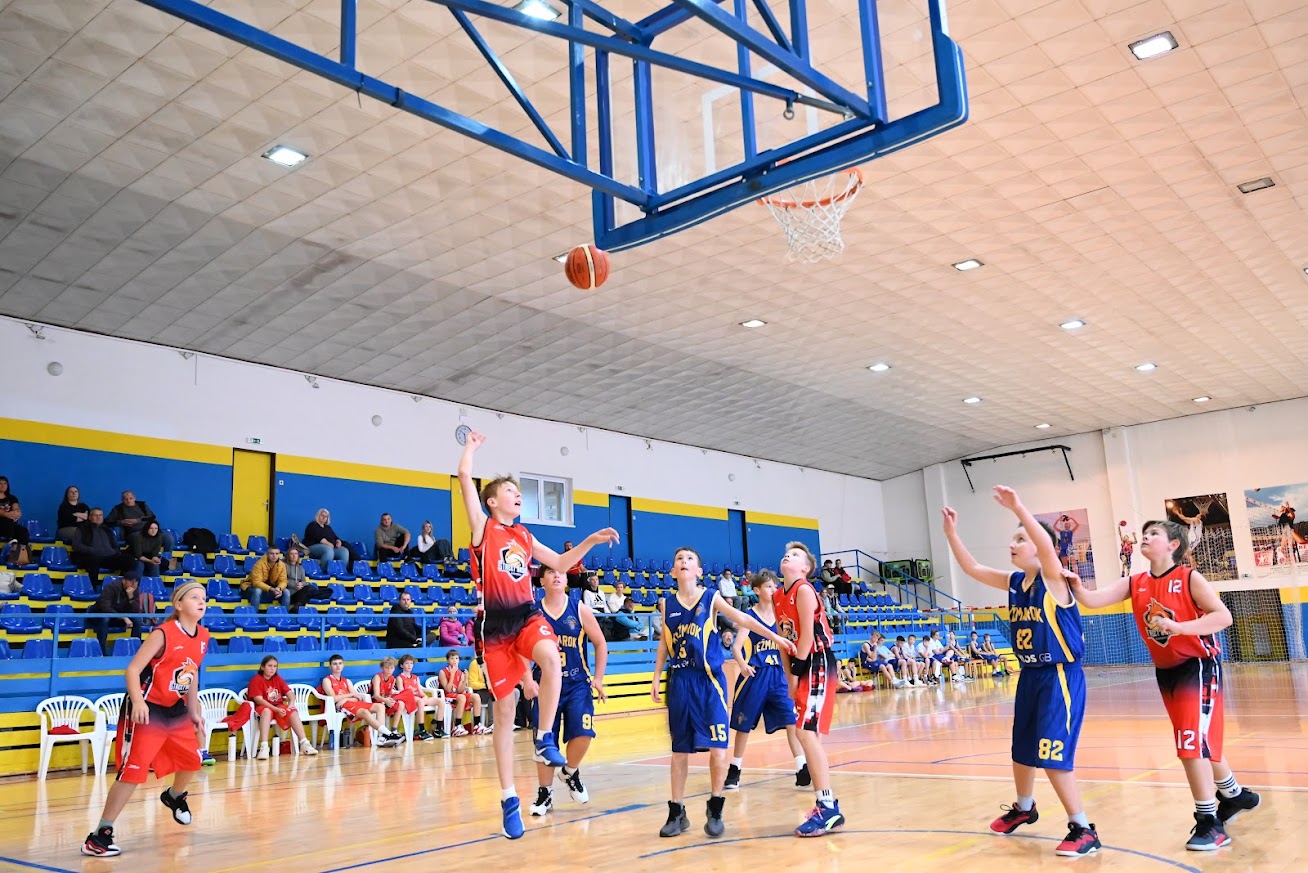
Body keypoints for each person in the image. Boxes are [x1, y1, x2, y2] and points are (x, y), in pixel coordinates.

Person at [456, 431, 619, 839]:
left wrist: (590, 541)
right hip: (494, 626)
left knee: (552, 658)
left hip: (526, 614)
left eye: (517, 491)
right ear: (493, 501)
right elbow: (463, 475)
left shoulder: (524, 536)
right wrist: (472, 446)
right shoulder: (484, 529)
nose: (517, 495)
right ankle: (509, 797)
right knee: (506, 712)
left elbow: (562, 561)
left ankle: (546, 736)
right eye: (510, 491)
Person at [1068, 519, 1260, 850]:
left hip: (1196, 666)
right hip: (1166, 670)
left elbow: (1223, 617)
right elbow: (1093, 600)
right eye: (1144, 533)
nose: (1145, 537)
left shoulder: (1189, 578)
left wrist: (1179, 627)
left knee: (1189, 743)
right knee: (1198, 740)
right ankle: (1234, 794)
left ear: (1173, 545)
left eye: (1154, 533)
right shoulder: (1136, 581)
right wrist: (1075, 585)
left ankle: (1209, 823)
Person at [941, 485, 1100, 857]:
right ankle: (1024, 808)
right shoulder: (1014, 582)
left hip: (1059, 676)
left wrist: (1019, 507)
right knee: (1023, 750)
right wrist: (951, 534)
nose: (1013, 544)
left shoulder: (1054, 580)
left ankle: (1083, 828)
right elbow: (972, 568)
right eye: (1012, 538)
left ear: (1040, 547)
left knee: (1052, 753)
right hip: (1029, 676)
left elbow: (1047, 549)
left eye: (1021, 538)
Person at [650, 546, 794, 839]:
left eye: (690, 558)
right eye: (679, 559)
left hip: (709, 683)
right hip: (679, 681)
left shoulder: (711, 598)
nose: (684, 561)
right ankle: (677, 811)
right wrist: (656, 676)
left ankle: (715, 807)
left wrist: (775, 636)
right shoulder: (667, 604)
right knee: (679, 753)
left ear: (699, 571)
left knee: (718, 750)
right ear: (673, 571)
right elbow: (664, 643)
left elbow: (746, 621)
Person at [81, 582, 210, 857]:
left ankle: (174, 796)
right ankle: (100, 835)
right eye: (195, 597)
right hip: (147, 707)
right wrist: (138, 702)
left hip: (175, 708)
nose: (202, 601)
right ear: (178, 605)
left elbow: (192, 673)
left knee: (194, 759)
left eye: (204, 598)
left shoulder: (203, 636)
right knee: (133, 771)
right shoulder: (163, 633)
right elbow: (132, 669)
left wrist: (194, 710)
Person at [772, 541, 847, 836]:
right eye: (786, 552)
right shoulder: (779, 595)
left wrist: (796, 672)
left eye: (796, 555)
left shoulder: (804, 589)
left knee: (804, 731)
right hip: (800, 662)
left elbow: (805, 639)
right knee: (807, 731)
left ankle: (827, 806)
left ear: (805, 567)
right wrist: (788, 675)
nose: (787, 555)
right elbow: (784, 639)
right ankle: (827, 806)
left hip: (816, 659)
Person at [529, 566, 608, 816]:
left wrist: (598, 678)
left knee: (584, 733)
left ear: (566, 580)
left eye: (560, 573)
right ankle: (545, 794)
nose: (556, 576)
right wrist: (525, 679)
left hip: (577, 683)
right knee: (544, 740)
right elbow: (517, 647)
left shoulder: (579, 608)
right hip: (544, 684)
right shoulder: (533, 612)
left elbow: (600, 642)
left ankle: (570, 772)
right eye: (550, 572)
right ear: (542, 580)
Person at [722, 570, 808, 792]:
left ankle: (801, 768)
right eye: (768, 586)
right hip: (756, 675)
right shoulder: (749, 617)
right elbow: (736, 647)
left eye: (774, 586)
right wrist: (742, 664)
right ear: (757, 590)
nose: (773, 590)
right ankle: (735, 769)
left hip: (779, 676)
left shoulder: (783, 617)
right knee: (744, 725)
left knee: (792, 721)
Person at [320, 653, 399, 745]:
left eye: (340, 663)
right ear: (330, 666)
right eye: (335, 664)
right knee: (364, 712)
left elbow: (358, 697)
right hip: (341, 707)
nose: (338, 666)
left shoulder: (347, 681)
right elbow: (334, 699)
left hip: (350, 703)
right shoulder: (327, 680)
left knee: (380, 706)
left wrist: (346, 698)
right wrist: (350, 695)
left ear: (343, 665)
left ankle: (381, 737)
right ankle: (389, 734)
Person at [248, 656, 317, 760]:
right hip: (263, 708)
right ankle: (264, 747)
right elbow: (259, 700)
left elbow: (290, 694)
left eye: (275, 666)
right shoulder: (256, 680)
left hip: (278, 707)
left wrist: (291, 703)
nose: (272, 668)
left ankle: (304, 743)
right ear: (262, 667)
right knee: (266, 711)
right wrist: (275, 709)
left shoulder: (277, 678)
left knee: (293, 711)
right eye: (269, 666)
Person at [70, 508, 135, 590]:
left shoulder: (108, 530)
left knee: (129, 560)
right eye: (96, 515)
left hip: (107, 558)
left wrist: (113, 551)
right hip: (90, 557)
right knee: (93, 560)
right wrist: (92, 550)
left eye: (100, 515)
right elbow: (76, 545)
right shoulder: (82, 529)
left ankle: (121, 586)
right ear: (90, 517)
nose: (99, 517)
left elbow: (116, 546)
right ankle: (92, 588)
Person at [105, 491, 174, 560]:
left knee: (168, 537)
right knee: (139, 538)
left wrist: (138, 520)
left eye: (130, 498)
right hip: (132, 533)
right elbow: (107, 522)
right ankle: (143, 561)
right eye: (126, 499)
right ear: (122, 500)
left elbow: (152, 517)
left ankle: (167, 560)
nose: (128, 501)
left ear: (134, 498)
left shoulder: (142, 505)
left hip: (149, 531)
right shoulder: (118, 509)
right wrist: (121, 522)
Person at [87, 571, 145, 653]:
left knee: (137, 619)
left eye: (135, 582)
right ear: (124, 580)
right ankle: (101, 651)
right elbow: (105, 608)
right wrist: (123, 617)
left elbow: (135, 611)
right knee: (105, 619)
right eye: (131, 582)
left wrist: (131, 597)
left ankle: (135, 649)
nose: (133, 585)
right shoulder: (111, 587)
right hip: (98, 616)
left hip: (118, 618)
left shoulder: (134, 590)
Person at [397, 653, 448, 740]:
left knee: (441, 701)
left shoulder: (415, 677)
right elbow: (402, 693)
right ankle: (421, 729)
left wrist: (424, 697)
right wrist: (412, 693)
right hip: (409, 699)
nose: (409, 665)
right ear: (402, 665)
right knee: (420, 701)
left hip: (418, 698)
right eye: (407, 663)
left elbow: (421, 693)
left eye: (411, 663)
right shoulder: (400, 678)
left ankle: (438, 728)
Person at [439, 649, 488, 736]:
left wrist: (465, 679)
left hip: (457, 695)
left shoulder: (460, 672)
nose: (454, 660)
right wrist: (452, 674)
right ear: (447, 660)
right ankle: (457, 726)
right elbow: (448, 689)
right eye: (452, 658)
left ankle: (477, 725)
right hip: (446, 696)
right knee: (462, 697)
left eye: (457, 658)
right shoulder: (442, 672)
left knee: (476, 696)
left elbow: (460, 691)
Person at [241, 546, 290, 610]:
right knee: (257, 590)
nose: (274, 556)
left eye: (276, 554)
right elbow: (256, 582)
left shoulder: (282, 565)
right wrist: (271, 589)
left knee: (286, 592)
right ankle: (253, 616)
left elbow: (283, 580)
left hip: (271, 589)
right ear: (267, 554)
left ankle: (284, 616)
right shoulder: (259, 564)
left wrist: (279, 588)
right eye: (271, 553)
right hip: (251, 587)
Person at [0, 476, 31, 567]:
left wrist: (17, 513)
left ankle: (20, 555)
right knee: (8, 522)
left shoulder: (12, 498)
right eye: (0, 483)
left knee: (23, 531)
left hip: (10, 526)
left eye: (5, 483)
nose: (3, 485)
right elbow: (5, 514)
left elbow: (16, 508)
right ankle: (11, 545)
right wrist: (5, 514)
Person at [283, 547, 320, 612]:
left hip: (299, 591)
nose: (294, 556)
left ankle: (298, 605)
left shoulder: (300, 568)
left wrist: (301, 584)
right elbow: (283, 580)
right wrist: (295, 585)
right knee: (308, 589)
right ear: (288, 556)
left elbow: (304, 581)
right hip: (288, 592)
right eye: (292, 554)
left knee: (308, 587)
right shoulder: (283, 566)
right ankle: (298, 605)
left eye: (296, 554)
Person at [1274, 501, 1300, 565]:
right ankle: (1289, 563)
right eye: (1282, 506)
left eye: (1282, 506)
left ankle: (1293, 563)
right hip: (1284, 534)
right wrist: (1277, 517)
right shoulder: (1282, 516)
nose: (1281, 507)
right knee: (1283, 549)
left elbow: (1293, 515)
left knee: (1290, 549)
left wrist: (1288, 508)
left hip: (1290, 533)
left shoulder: (1289, 515)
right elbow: (1280, 518)